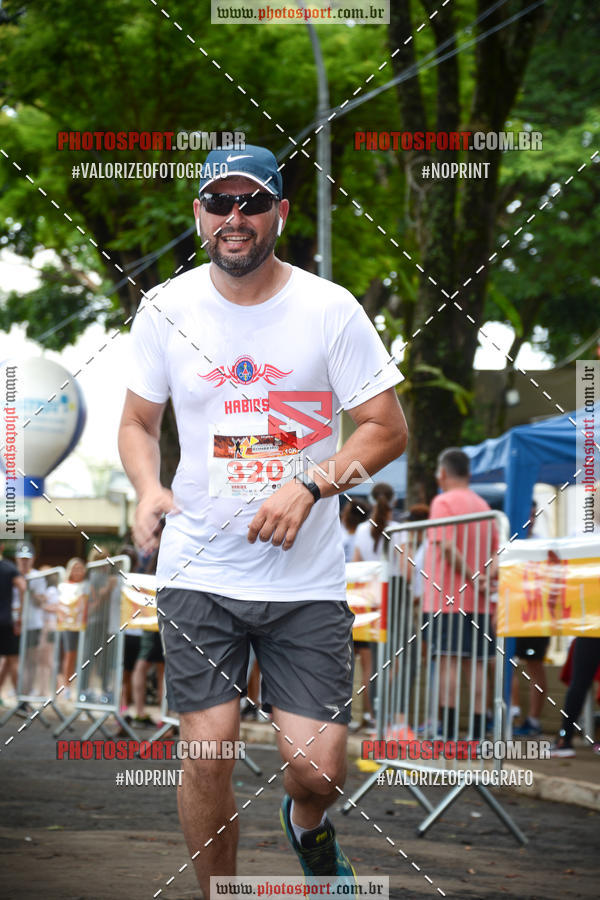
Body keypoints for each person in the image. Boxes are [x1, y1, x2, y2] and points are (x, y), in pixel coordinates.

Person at [118, 144, 407, 891]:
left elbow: (385, 426)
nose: (235, 217)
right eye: (220, 203)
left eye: (252, 202)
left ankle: (307, 826)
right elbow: (138, 423)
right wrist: (149, 488)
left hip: (303, 584)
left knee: (316, 772)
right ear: (200, 217)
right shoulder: (167, 307)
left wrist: (310, 482)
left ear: (281, 211)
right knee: (207, 751)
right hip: (200, 570)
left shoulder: (328, 308)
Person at [423, 448, 498, 740]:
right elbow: (496, 553)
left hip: (447, 599)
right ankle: (478, 733)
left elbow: (446, 546)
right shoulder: (484, 506)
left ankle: (450, 733)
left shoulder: (442, 502)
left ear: (442, 473)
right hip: (479, 603)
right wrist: (484, 578)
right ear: (468, 473)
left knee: (448, 663)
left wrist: (471, 576)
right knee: (477, 666)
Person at [14, 542, 47, 703]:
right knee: (10, 660)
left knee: (30, 661)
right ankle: (16, 692)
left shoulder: (37, 576)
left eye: (27, 559)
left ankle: (24, 696)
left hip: (33, 625)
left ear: (32, 559)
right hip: (14, 624)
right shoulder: (10, 574)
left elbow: (42, 600)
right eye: (22, 559)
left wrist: (28, 589)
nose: (24, 562)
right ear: (17, 559)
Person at [0, 543, 26, 703]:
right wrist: (20, 617)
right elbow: (23, 587)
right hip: (5, 621)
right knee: (13, 660)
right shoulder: (9, 568)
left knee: (12, 661)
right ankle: (21, 701)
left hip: (5, 621)